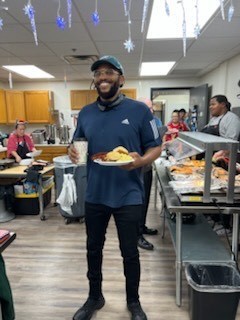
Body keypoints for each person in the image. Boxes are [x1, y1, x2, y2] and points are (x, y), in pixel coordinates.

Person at [68, 55, 162, 320]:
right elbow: (78, 143)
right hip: (96, 192)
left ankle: (134, 303)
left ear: (121, 79)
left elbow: (156, 146)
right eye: (98, 74)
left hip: (128, 194)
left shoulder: (140, 111)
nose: (103, 78)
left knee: (130, 252)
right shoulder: (85, 113)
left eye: (109, 72)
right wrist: (72, 151)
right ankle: (94, 297)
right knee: (93, 248)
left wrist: (141, 161)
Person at [202, 95, 240, 234]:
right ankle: (214, 217)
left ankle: (225, 225)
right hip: (215, 159)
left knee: (225, 192)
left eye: (213, 104)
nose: (210, 107)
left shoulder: (231, 119)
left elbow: (231, 142)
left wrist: (221, 153)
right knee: (213, 189)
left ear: (223, 104)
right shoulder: (213, 119)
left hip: (227, 161)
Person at [137, 97, 161, 251]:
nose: (151, 111)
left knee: (145, 201)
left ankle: (142, 227)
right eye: (148, 108)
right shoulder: (135, 123)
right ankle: (137, 235)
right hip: (136, 171)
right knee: (138, 204)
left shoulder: (151, 123)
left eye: (151, 108)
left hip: (147, 168)